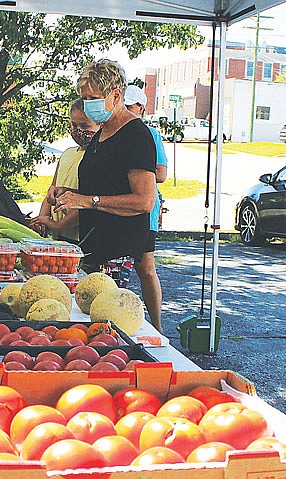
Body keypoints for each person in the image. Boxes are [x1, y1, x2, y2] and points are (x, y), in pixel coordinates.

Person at [53, 59, 156, 289]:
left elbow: (144, 201)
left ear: (116, 96)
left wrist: (88, 201)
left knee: (105, 312)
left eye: (92, 99)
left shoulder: (136, 136)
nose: (87, 105)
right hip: (92, 243)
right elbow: (105, 186)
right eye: (84, 98)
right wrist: (70, 194)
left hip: (118, 246)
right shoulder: (102, 132)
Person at [124, 84, 168, 333]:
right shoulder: (112, 132)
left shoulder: (150, 134)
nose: (127, 112)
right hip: (115, 210)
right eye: (123, 107)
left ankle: (158, 326)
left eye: (130, 107)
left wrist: (135, 172)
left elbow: (160, 173)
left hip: (142, 210)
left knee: (146, 268)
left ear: (141, 108)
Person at [29, 99, 99, 242]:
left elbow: (88, 201)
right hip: (56, 234)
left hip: (78, 236)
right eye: (73, 125)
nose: (78, 130)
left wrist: (59, 225)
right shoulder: (67, 154)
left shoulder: (97, 158)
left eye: (84, 126)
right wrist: (42, 219)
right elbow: (52, 191)